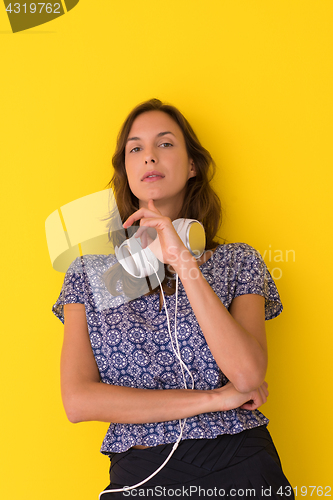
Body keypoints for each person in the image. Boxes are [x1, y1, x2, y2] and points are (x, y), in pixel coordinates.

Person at [52, 98, 294, 499]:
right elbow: (78, 401)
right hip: (142, 471)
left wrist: (184, 261)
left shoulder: (238, 261)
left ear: (192, 165)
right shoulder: (88, 275)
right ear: (126, 170)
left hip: (240, 464)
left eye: (165, 144)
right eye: (136, 148)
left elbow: (249, 376)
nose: (149, 157)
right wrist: (214, 399)